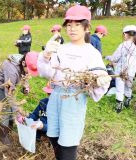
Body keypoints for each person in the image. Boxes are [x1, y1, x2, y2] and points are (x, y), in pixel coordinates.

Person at [37, 5, 111, 160]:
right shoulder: (61, 49)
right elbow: (46, 72)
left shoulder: (91, 52)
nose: (72, 29)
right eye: (69, 25)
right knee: (53, 135)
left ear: (86, 27)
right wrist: (46, 55)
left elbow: (99, 76)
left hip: (74, 99)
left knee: (68, 141)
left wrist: (99, 80)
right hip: (56, 96)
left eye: (77, 25)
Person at [0, 51, 38, 145]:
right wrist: (18, 112)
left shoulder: (25, 61)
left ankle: (9, 127)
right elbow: (9, 94)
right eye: (29, 70)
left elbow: (25, 76)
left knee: (11, 107)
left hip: (11, 85)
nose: (30, 73)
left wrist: (26, 87)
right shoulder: (11, 70)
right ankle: (3, 135)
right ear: (23, 63)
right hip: (1, 86)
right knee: (6, 109)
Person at [105, 25, 136, 113]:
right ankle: (128, 100)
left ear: (126, 34)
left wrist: (107, 57)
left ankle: (119, 107)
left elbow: (115, 58)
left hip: (121, 71)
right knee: (128, 87)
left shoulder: (123, 45)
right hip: (131, 72)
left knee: (120, 88)